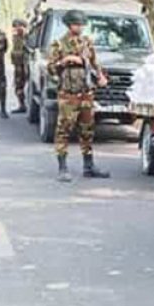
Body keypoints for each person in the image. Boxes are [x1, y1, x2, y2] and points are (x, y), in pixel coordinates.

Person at [48, 9, 110, 182]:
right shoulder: (59, 44)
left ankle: (89, 166)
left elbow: (94, 63)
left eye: (82, 24)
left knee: (87, 130)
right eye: (77, 24)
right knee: (63, 131)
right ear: (69, 25)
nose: (80, 27)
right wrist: (64, 61)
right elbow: (50, 68)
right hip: (68, 94)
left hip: (86, 93)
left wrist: (101, 76)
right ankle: (62, 167)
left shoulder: (87, 43)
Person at [10, 19, 29, 114]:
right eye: (15, 27)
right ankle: (22, 105)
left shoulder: (29, 37)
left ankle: (28, 105)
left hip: (27, 66)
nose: (16, 29)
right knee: (18, 86)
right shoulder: (15, 37)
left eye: (18, 26)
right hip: (18, 66)